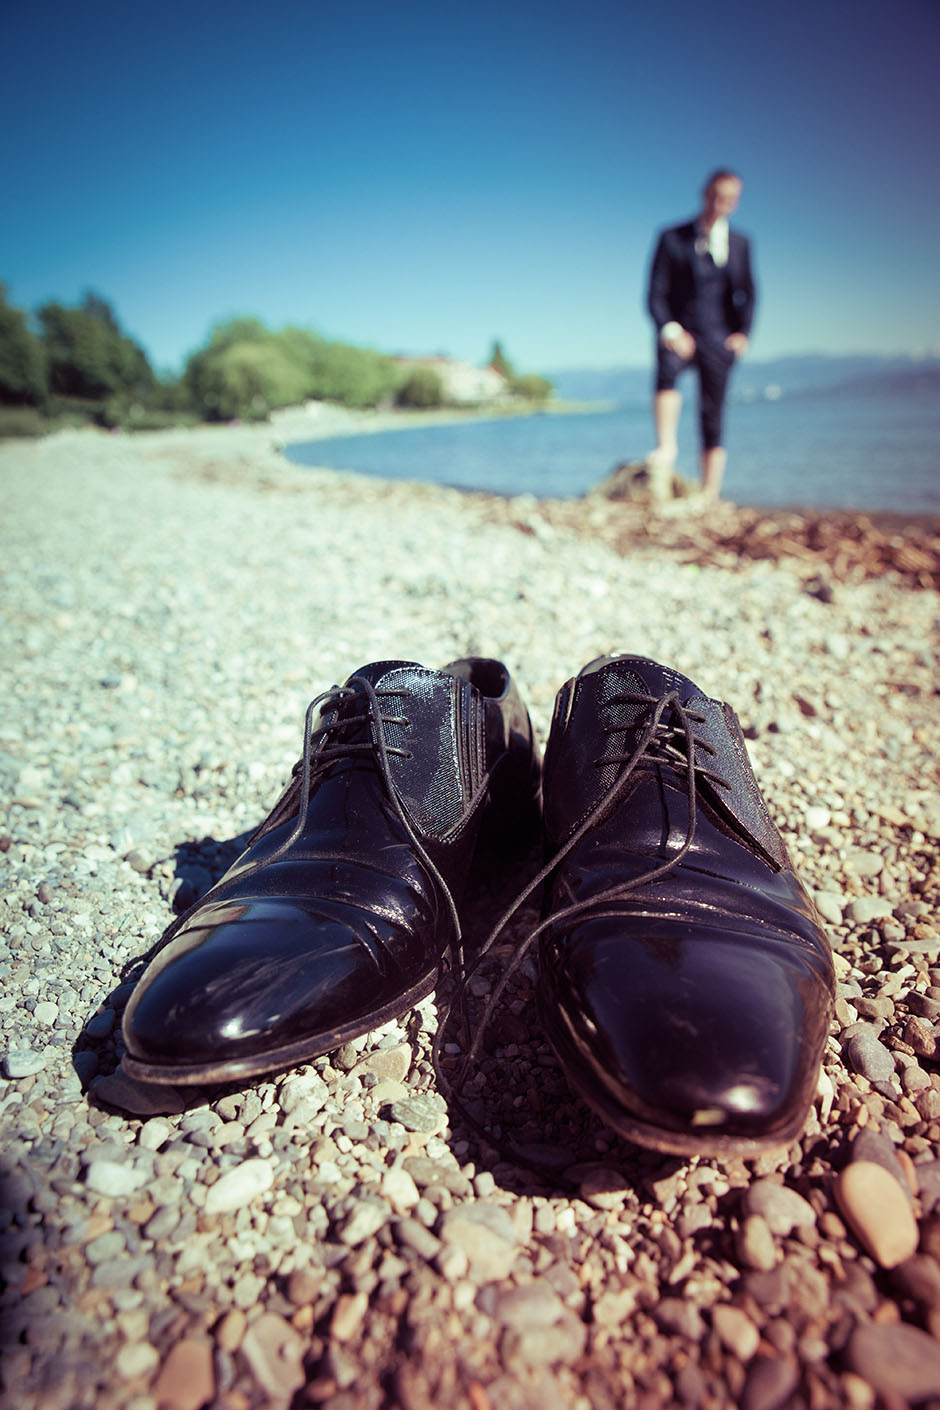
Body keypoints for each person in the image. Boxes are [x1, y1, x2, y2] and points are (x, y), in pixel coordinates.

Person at [646, 169, 756, 502]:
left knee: (713, 409)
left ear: (735, 203)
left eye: (729, 199)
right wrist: (671, 328)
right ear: (704, 194)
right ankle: (666, 447)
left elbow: (750, 293)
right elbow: (655, 293)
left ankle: (710, 491)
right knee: (667, 367)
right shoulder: (671, 237)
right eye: (716, 196)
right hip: (679, 329)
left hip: (718, 335)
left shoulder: (740, 245)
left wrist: (741, 333)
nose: (720, 204)